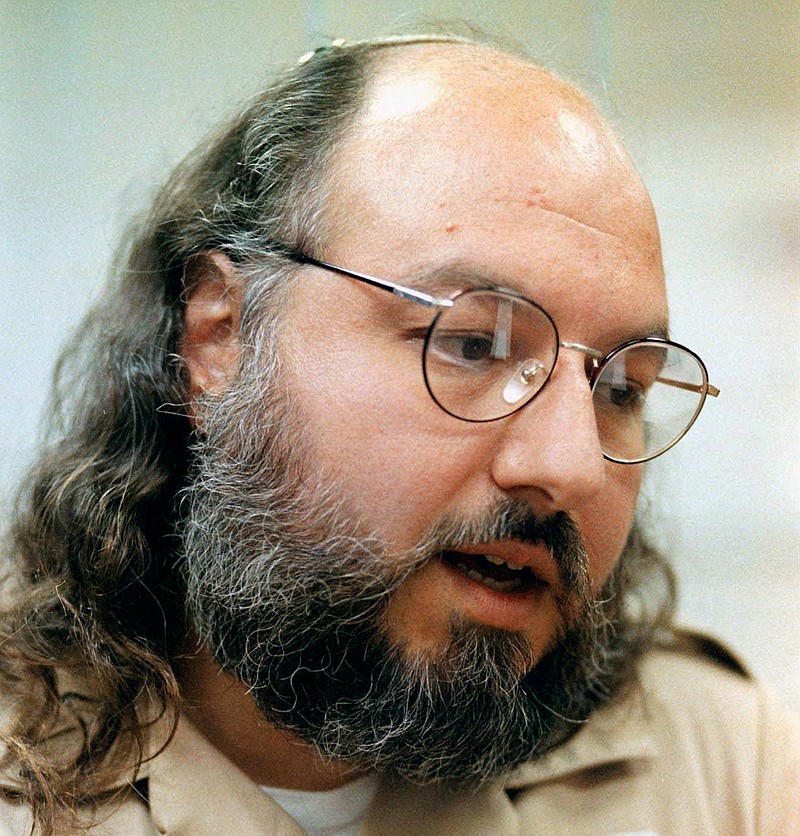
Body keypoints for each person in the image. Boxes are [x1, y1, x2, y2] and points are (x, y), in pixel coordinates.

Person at [0, 31, 797, 836]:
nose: (571, 465)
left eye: (622, 387)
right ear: (222, 337)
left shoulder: (727, 769)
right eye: (474, 344)